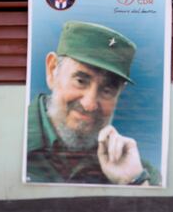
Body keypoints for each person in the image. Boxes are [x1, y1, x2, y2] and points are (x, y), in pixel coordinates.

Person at [26, 20, 160, 186]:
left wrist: (133, 183)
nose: (89, 105)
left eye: (107, 90)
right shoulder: (6, 139)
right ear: (52, 70)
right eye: (81, 81)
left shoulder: (137, 171)